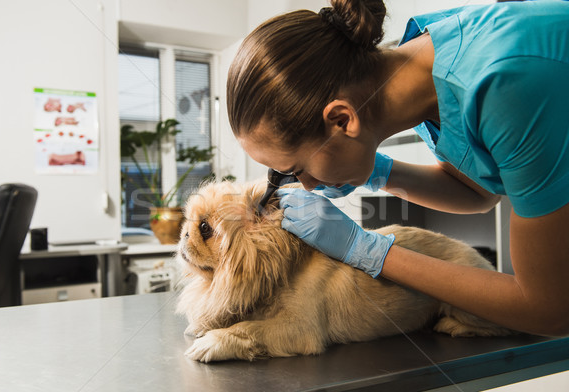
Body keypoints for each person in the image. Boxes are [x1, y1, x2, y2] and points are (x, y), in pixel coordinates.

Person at [226, 0, 569, 336]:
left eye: (298, 169)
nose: (310, 186)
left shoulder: (500, 86)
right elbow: (480, 193)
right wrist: (380, 171)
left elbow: (549, 310)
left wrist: (365, 250)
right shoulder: (422, 65)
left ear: (342, 120)